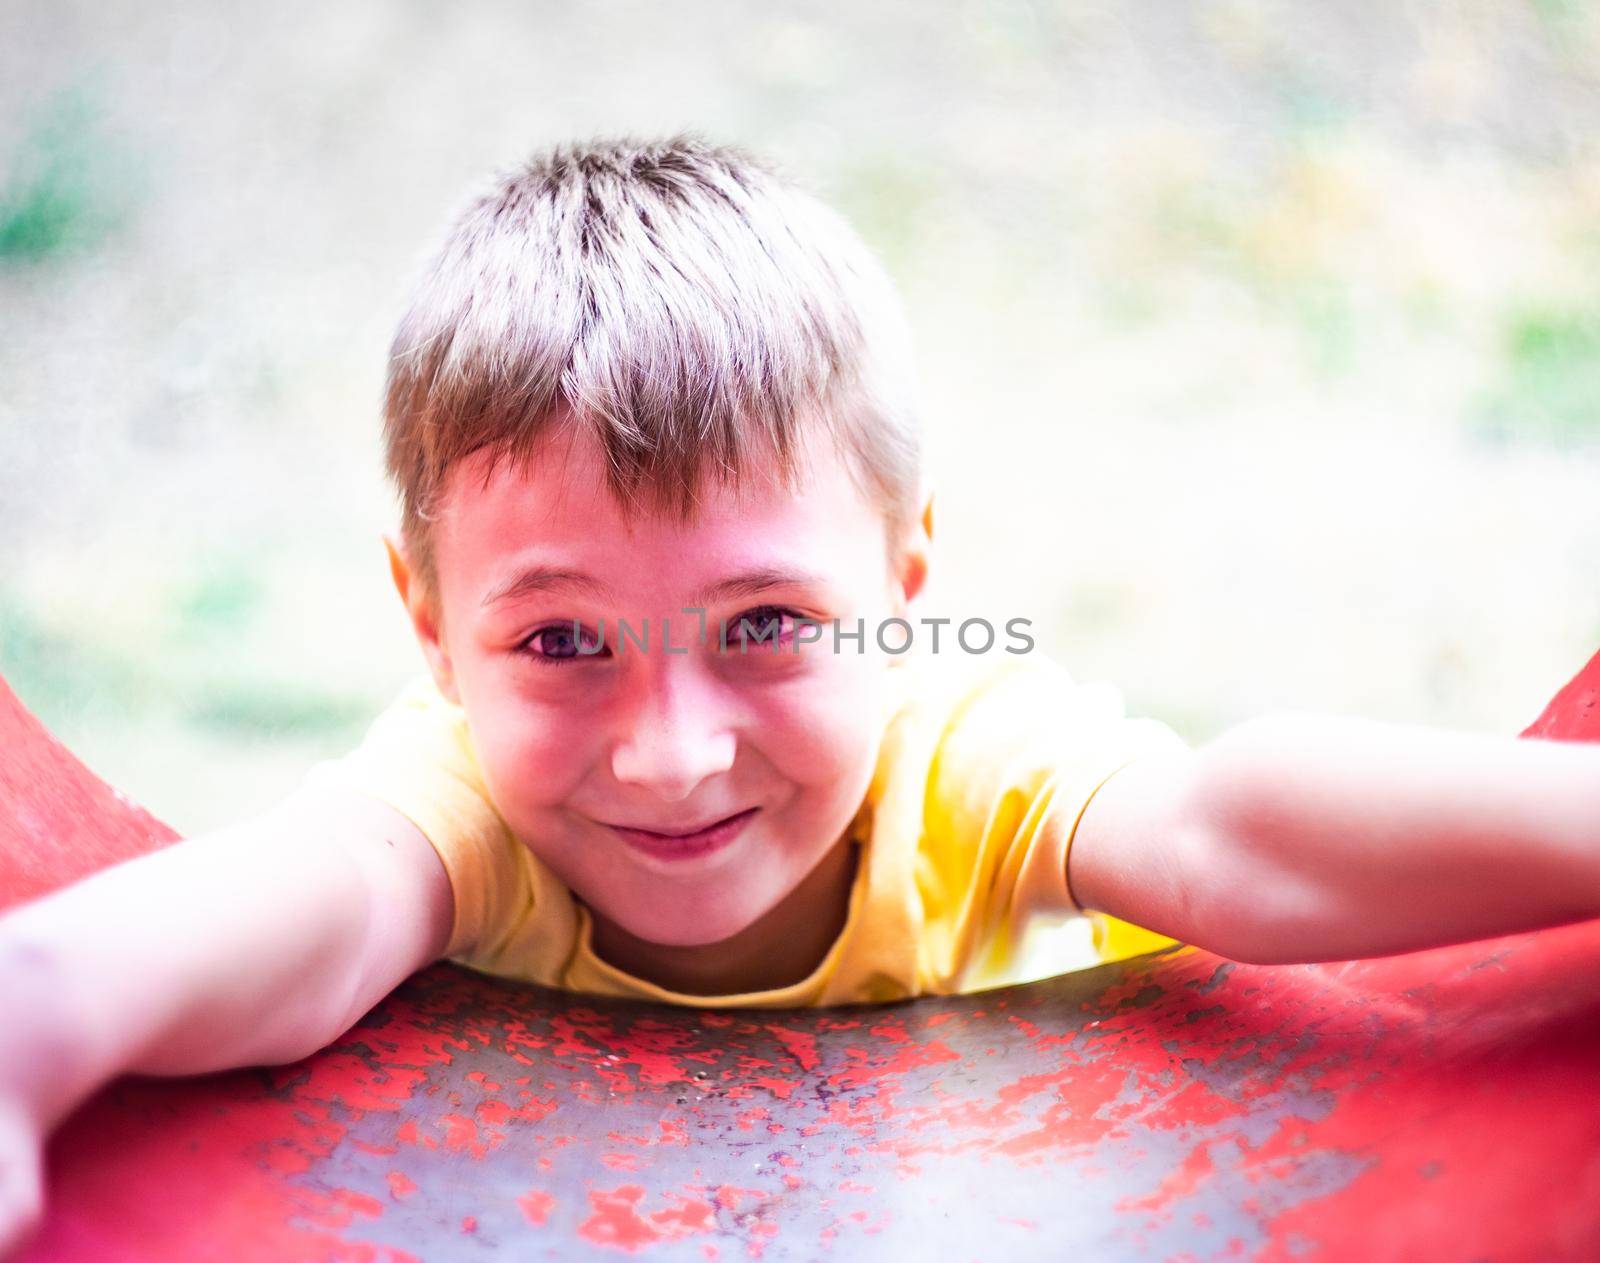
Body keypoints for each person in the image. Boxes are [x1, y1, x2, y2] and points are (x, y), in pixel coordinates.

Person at [2, 134, 1597, 1254]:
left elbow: (1233, 834)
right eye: (561, 644)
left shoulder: (956, 761)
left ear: (906, 585)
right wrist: (37, 1025)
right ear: (427, 622)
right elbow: (309, 903)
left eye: (766, 624)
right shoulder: (468, 801)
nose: (673, 752)